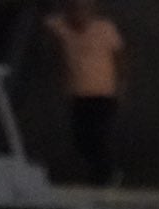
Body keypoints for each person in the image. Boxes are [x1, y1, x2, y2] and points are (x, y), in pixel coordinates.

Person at [44, 0, 126, 186]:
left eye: (83, 10)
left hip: (103, 93)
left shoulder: (105, 29)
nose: (79, 15)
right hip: (78, 93)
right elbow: (47, 22)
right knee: (80, 138)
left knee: (98, 135)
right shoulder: (62, 27)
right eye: (74, 10)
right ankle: (98, 172)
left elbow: (120, 57)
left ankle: (107, 174)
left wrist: (121, 86)